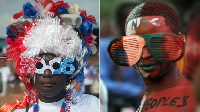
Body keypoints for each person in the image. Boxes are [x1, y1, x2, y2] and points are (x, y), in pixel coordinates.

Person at [0, 0, 99, 112]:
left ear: (68, 71)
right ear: (29, 72)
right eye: (39, 66)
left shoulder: (91, 105)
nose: (47, 74)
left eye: (55, 66)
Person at [107, 1, 197, 112]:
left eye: (156, 43)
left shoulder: (191, 99)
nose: (144, 55)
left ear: (178, 44)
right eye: (134, 44)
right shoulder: (149, 97)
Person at [100, 2, 145, 112]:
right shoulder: (104, 47)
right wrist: (136, 92)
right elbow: (102, 82)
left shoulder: (146, 49)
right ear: (120, 23)